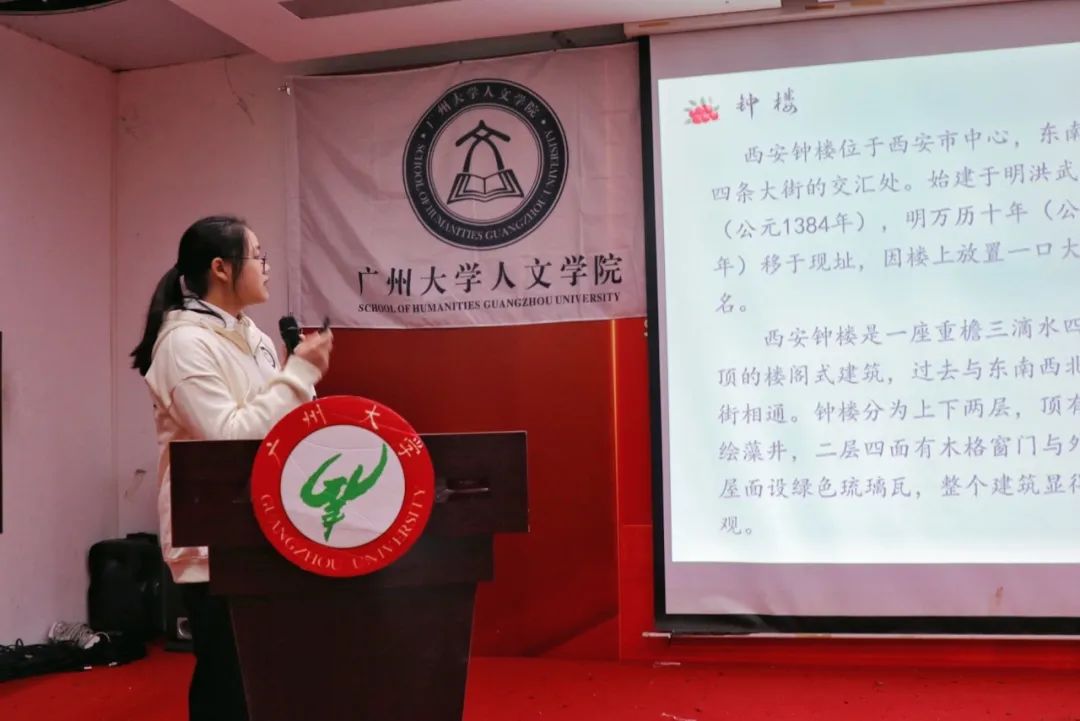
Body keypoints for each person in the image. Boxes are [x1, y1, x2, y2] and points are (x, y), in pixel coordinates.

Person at [130, 215, 333, 720]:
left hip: (267, 522)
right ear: (221, 268)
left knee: (266, 674)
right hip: (213, 538)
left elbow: (276, 423)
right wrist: (298, 372)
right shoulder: (183, 343)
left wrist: (300, 381)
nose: (266, 266)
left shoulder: (254, 336)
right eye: (258, 256)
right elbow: (226, 436)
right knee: (228, 677)